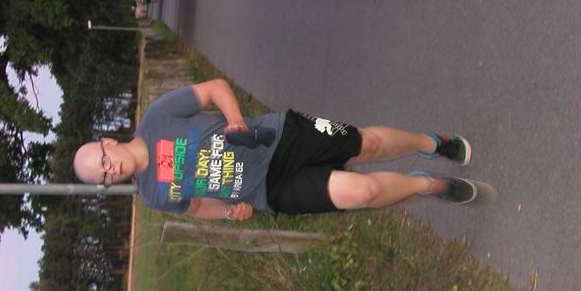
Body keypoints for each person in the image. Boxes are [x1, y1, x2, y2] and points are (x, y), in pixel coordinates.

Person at [73, 79, 487, 221]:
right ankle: (426, 187)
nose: (111, 169)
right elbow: (197, 207)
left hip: (281, 135)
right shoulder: (151, 195)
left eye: (104, 160)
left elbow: (214, 89)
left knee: (366, 144)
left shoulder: (158, 116)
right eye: (104, 176)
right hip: (269, 192)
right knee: (363, 193)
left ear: (107, 141)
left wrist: (235, 119)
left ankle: (430, 144)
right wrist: (232, 213)